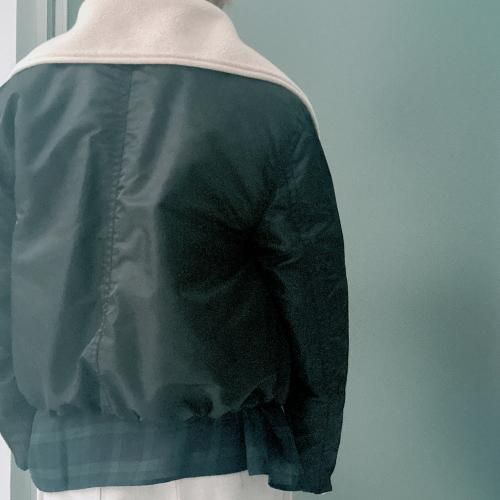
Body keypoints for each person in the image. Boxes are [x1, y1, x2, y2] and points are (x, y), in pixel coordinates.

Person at [0, 0, 349, 498]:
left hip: (71, 461)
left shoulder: (22, 95)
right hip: (225, 462)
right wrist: (308, 455)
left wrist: (27, 434)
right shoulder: (270, 102)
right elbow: (315, 306)